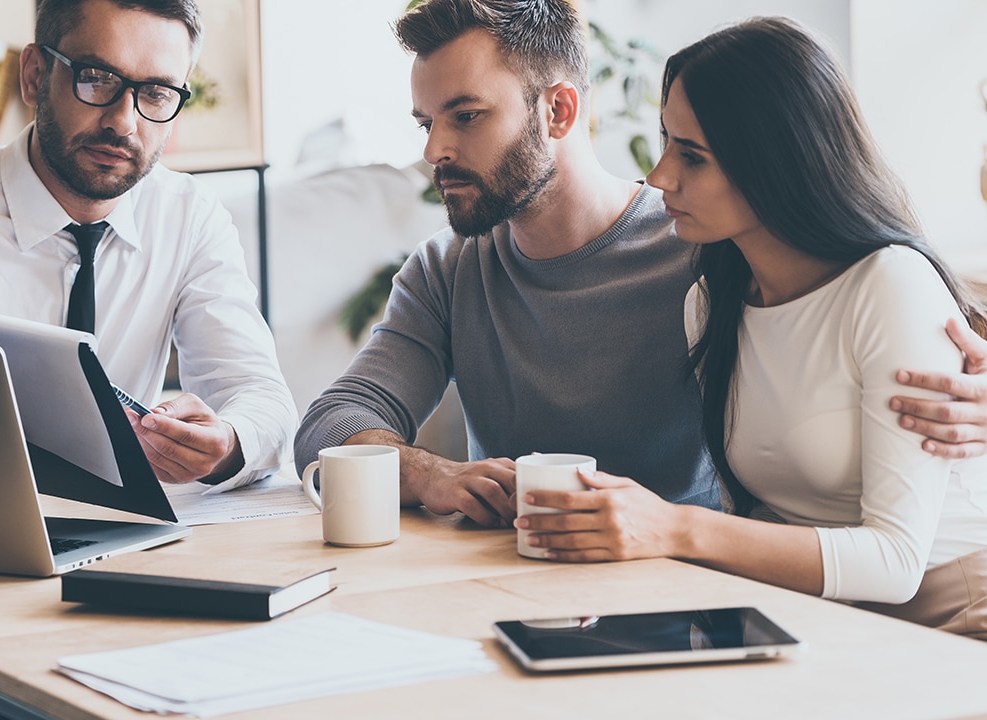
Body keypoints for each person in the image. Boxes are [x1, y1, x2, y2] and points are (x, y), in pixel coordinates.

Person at [294, 0, 987, 530]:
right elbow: (333, 421)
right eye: (426, 123)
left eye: (466, 116)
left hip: (696, 587)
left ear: (559, 110)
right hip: (522, 586)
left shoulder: (710, 241)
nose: (435, 149)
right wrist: (424, 473)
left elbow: (864, 286)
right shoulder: (446, 271)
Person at [516, 16, 987, 638]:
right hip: (809, 619)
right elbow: (757, 518)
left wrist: (672, 528)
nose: (659, 178)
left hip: (950, 613)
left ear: (776, 161)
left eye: (692, 156)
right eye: (667, 144)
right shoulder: (711, 304)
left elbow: (896, 565)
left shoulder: (889, 285)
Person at [0, 0, 295, 491]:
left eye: (155, 92)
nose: (124, 122)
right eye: (98, 78)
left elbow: (259, 395)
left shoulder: (189, 217)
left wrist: (228, 443)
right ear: (35, 75)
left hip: (123, 539)